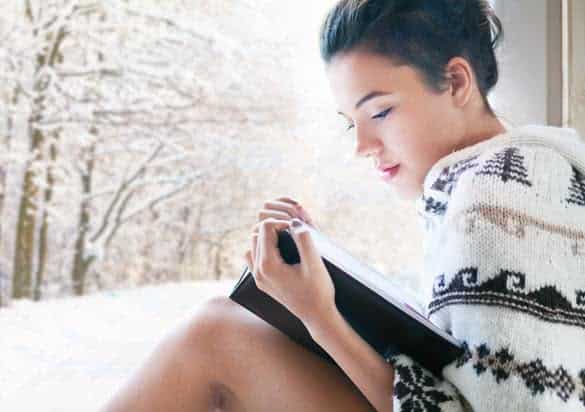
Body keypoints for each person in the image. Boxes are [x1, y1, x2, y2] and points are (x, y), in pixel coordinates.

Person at [100, 0, 585, 411]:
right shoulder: (521, 178)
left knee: (212, 337)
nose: (364, 145)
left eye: (380, 112)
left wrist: (321, 316)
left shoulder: (497, 192)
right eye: (353, 123)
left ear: (457, 82)